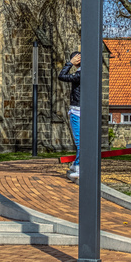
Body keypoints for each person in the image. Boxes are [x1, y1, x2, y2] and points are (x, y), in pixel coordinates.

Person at [58, 51, 82, 181]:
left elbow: (62, 76)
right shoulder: (81, 73)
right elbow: (62, 76)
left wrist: (70, 64)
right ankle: (76, 165)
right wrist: (71, 64)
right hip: (78, 110)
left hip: (79, 111)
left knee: (81, 142)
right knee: (81, 142)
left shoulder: (81, 74)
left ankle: (78, 166)